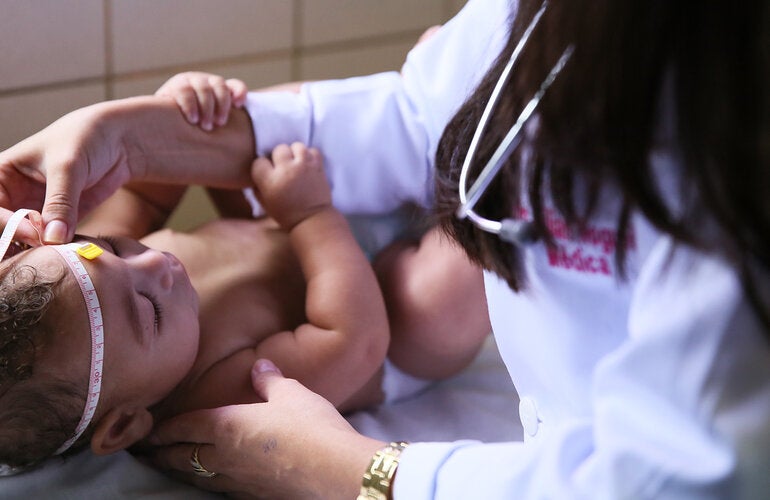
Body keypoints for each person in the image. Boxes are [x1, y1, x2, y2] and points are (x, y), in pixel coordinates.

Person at [1, 0, 768, 498]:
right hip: (383, 318)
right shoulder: (214, 389)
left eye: (112, 244)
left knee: (462, 108)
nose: (155, 263)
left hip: (327, 234)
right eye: (141, 305)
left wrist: (175, 109)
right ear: (126, 426)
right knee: (433, 298)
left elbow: (155, 181)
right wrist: (307, 219)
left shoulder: (125, 287)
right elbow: (352, 341)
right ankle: (470, 218)